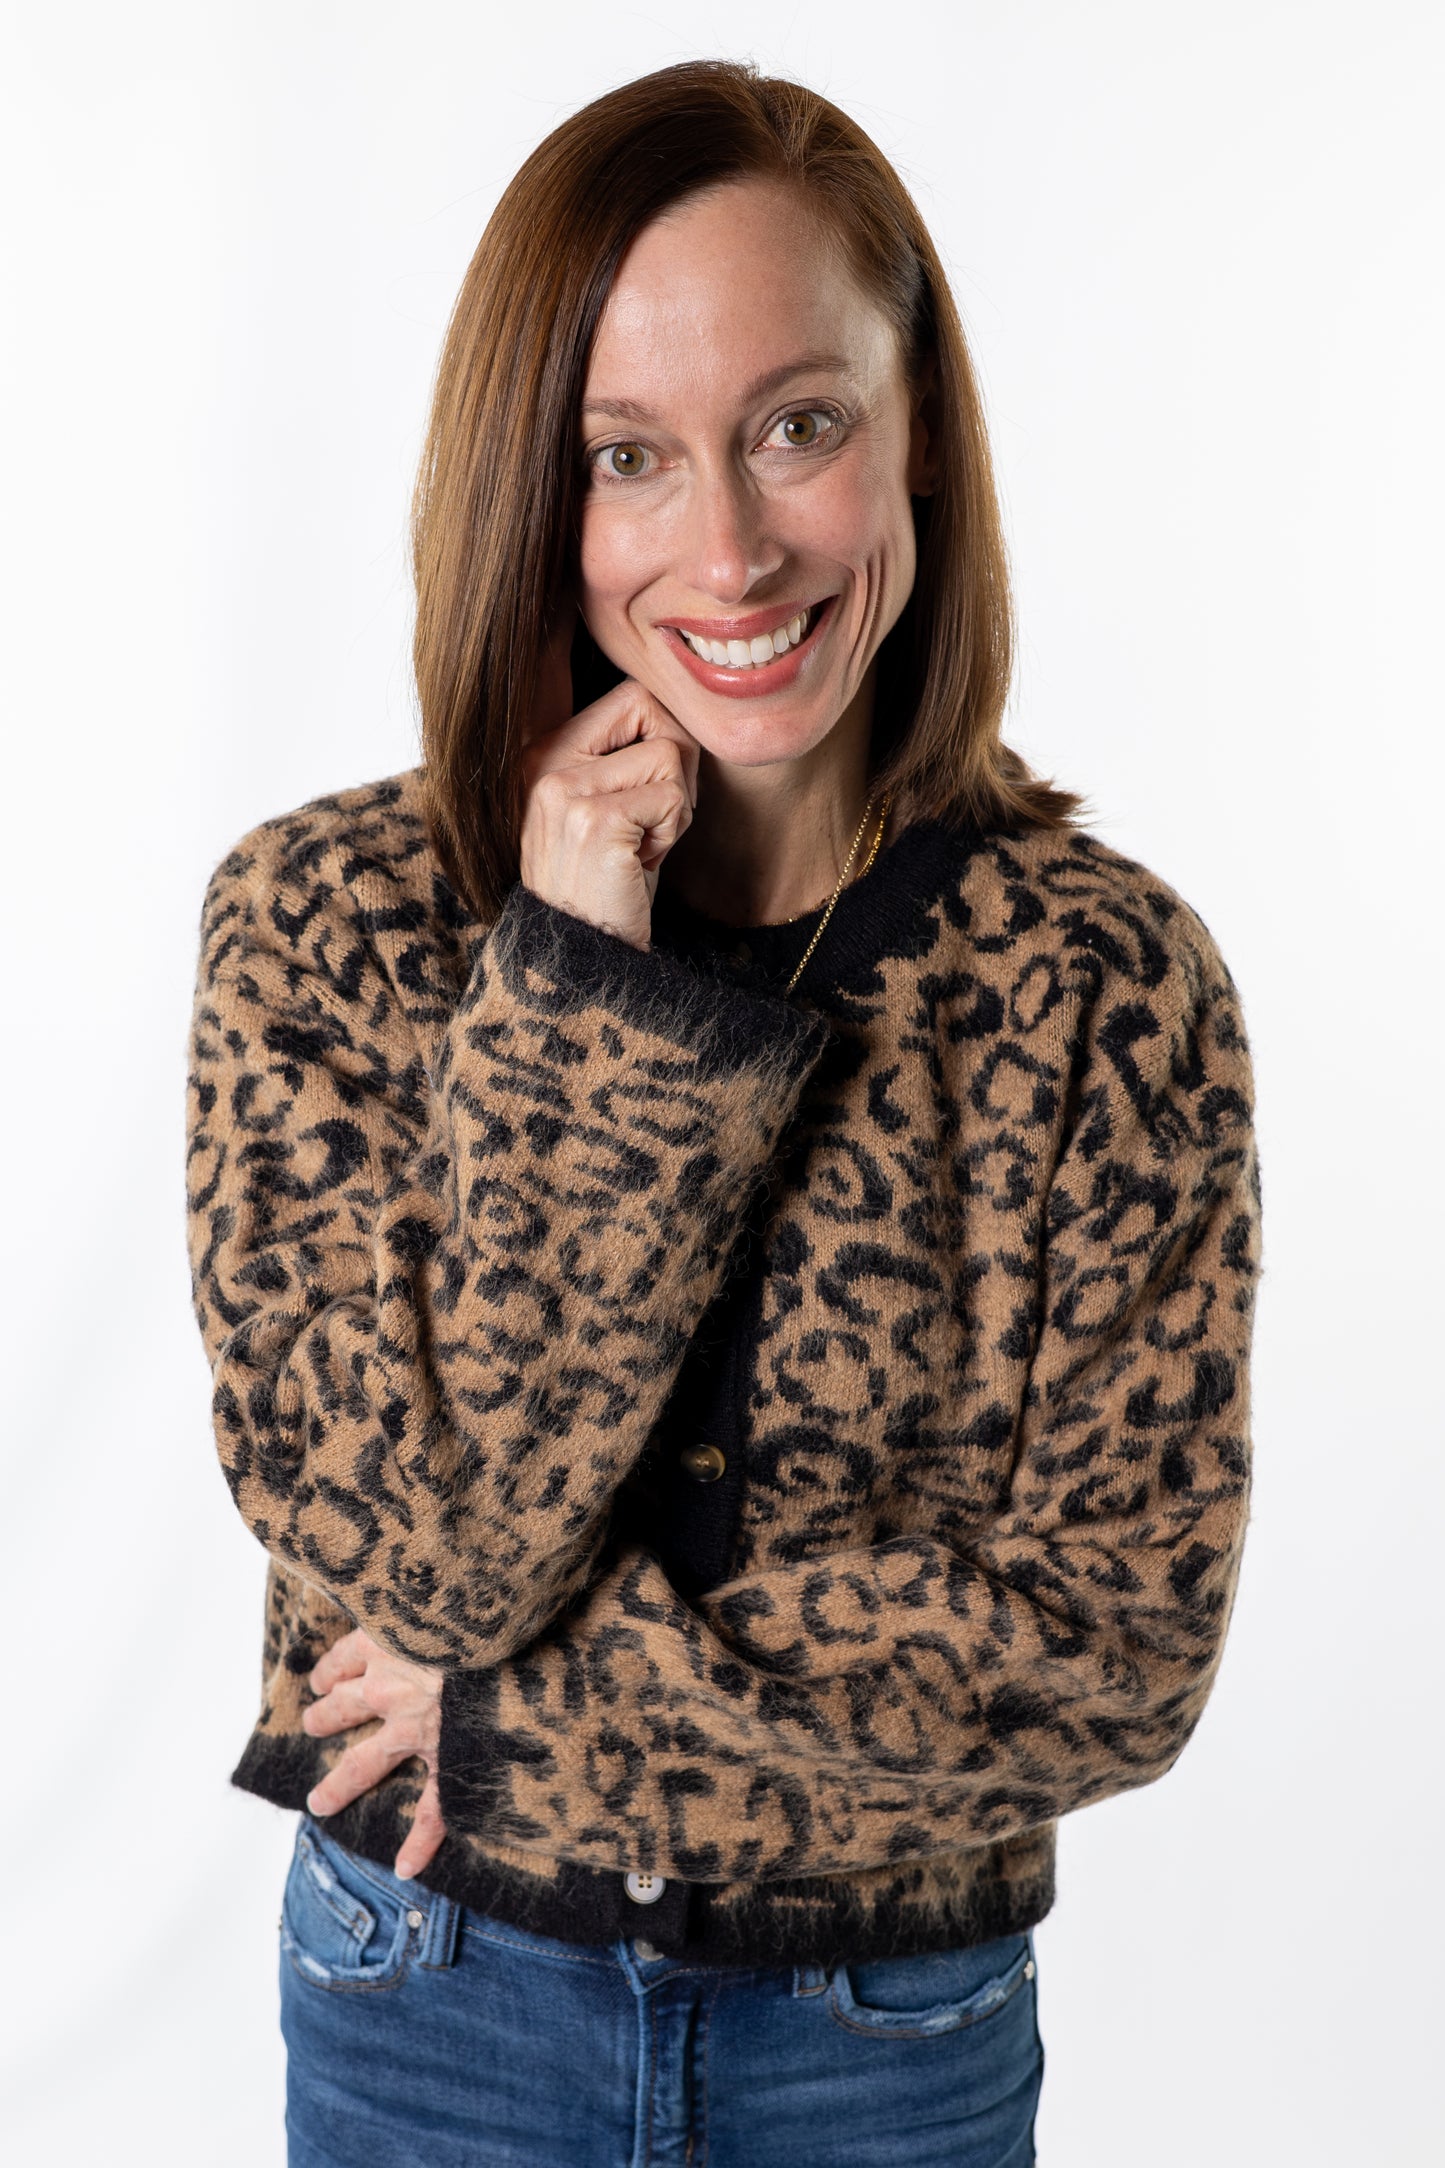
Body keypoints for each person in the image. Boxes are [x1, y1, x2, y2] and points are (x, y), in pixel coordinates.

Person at [184, 56, 1262, 2168]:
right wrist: (586, 988)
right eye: (627, 457)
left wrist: (521, 1719)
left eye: (798, 425)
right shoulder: (327, 928)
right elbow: (412, 1541)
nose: (733, 547)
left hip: (883, 2031)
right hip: (438, 1997)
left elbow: (1114, 1649)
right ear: (532, 485)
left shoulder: (1106, 989)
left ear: (914, 426)